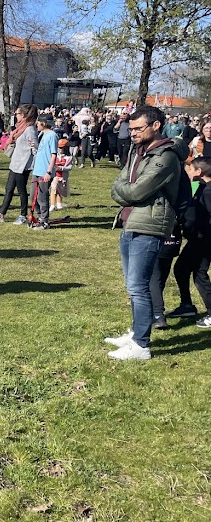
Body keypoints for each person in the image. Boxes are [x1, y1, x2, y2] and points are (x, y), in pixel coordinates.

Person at [106, 105, 185, 360]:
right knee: (133, 286)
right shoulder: (138, 151)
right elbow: (119, 182)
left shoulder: (166, 156)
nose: (133, 133)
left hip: (149, 225)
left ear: (156, 126)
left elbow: (136, 191)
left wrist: (124, 190)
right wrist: (123, 189)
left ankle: (142, 345)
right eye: (131, 128)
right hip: (130, 221)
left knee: (138, 286)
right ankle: (136, 333)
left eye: (139, 128)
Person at [167, 157, 211, 327]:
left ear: (199, 172)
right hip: (197, 239)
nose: (187, 171)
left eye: (190, 168)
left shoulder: (208, 192)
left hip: (205, 239)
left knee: (200, 275)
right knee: (181, 269)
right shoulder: (202, 187)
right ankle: (187, 305)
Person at [28, 115, 59, 230]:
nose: (37, 125)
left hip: (45, 171)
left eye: (38, 123)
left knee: (42, 197)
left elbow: (53, 155)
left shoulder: (52, 135)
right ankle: (39, 217)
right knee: (33, 196)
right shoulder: (42, 135)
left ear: (44, 123)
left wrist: (49, 172)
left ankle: (44, 221)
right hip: (37, 170)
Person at [51, 139, 73, 211]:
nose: (60, 149)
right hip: (55, 176)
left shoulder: (69, 158)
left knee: (60, 190)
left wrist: (62, 168)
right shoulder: (54, 156)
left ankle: (59, 203)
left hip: (63, 177)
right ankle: (52, 204)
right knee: (53, 189)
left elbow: (70, 167)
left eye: (61, 148)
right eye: (59, 147)